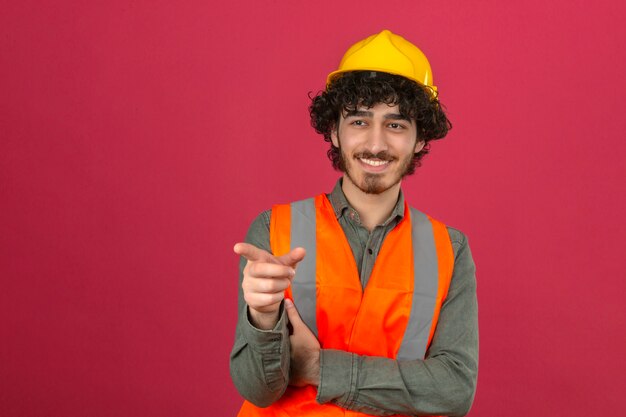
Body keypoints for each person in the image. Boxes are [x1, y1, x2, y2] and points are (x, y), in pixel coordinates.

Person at [230, 29, 478, 417]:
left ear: (419, 139)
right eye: (359, 122)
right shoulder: (273, 230)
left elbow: (454, 391)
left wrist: (319, 368)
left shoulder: (451, 249)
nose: (376, 144)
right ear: (334, 131)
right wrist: (262, 318)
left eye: (396, 125)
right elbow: (258, 391)